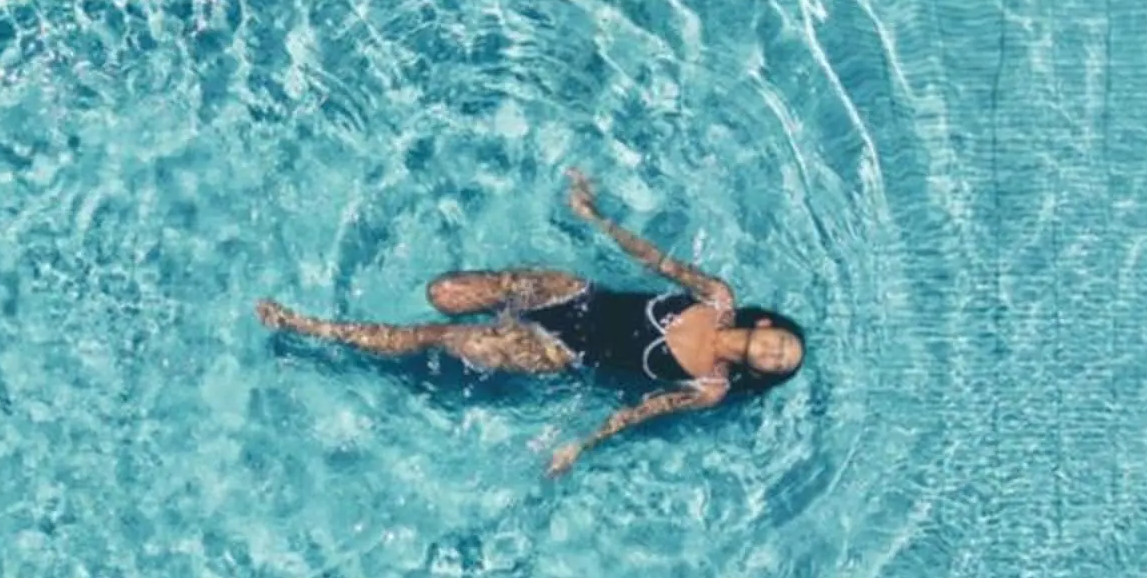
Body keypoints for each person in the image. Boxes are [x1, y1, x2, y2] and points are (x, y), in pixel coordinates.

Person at [256, 169, 806, 475]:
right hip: (573, 295)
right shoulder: (716, 296)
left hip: (556, 350)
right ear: (766, 327)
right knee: (444, 293)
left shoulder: (709, 387)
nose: (774, 353)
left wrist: (579, 447)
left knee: (438, 336)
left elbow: (639, 412)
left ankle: (307, 327)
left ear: (763, 371)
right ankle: (335, 323)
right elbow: (655, 261)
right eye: (781, 343)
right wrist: (594, 216)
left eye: (779, 363)